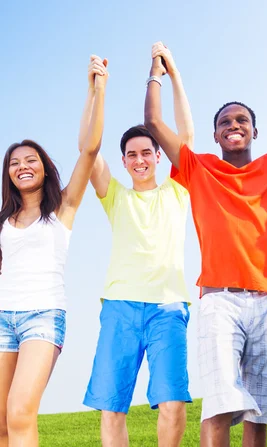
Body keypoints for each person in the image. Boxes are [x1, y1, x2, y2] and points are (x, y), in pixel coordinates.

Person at [144, 43, 267, 447]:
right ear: (215, 134)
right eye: (225, 122)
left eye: (242, 120)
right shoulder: (198, 168)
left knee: (259, 414)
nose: (234, 125)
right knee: (218, 406)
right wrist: (156, 70)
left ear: (254, 130)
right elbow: (152, 121)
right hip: (220, 300)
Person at [82, 42, 193, 447]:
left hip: (168, 308)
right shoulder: (115, 196)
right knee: (112, 408)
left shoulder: (177, 192)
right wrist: (98, 88)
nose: (140, 159)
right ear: (125, 161)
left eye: (147, 152)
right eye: (132, 154)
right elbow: (88, 149)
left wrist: (170, 74)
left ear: (159, 157)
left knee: (173, 405)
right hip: (120, 308)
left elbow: (187, 134)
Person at [0, 55, 107, 447]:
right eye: (14, 163)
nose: (22, 166)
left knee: (21, 411)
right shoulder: (2, 221)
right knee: (0, 423)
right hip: (1, 319)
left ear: (44, 167)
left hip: (42, 318)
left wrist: (96, 88)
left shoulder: (63, 207)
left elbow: (90, 150)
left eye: (30, 160)